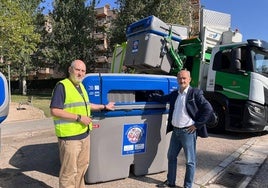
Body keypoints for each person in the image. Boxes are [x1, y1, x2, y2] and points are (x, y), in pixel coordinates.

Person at [50, 59, 115, 188]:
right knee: (69, 172)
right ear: (70, 70)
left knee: (82, 168)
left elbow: (86, 105)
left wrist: (104, 106)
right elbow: (54, 110)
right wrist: (79, 118)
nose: (80, 73)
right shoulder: (62, 86)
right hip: (70, 138)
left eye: (83, 71)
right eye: (77, 70)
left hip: (84, 135)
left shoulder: (80, 87)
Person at [151, 70, 214, 188]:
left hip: (188, 132)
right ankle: (171, 182)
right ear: (177, 80)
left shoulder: (195, 93)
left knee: (190, 161)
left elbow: (208, 109)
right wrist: (151, 95)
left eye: (184, 78)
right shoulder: (175, 94)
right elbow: (163, 99)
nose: (182, 80)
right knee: (171, 156)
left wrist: (197, 125)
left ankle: (188, 185)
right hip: (176, 131)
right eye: (180, 78)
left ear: (190, 79)